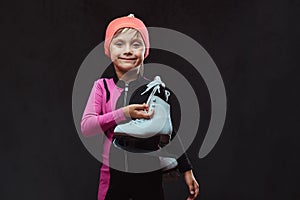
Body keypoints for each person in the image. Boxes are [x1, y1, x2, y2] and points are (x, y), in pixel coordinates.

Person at [81, 14, 199, 200]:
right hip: (113, 172)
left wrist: (186, 169)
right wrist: (124, 113)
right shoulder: (102, 87)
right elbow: (87, 126)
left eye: (136, 44)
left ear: (145, 51)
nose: (127, 50)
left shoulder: (152, 89)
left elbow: (169, 130)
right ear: (108, 50)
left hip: (148, 172)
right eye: (119, 43)